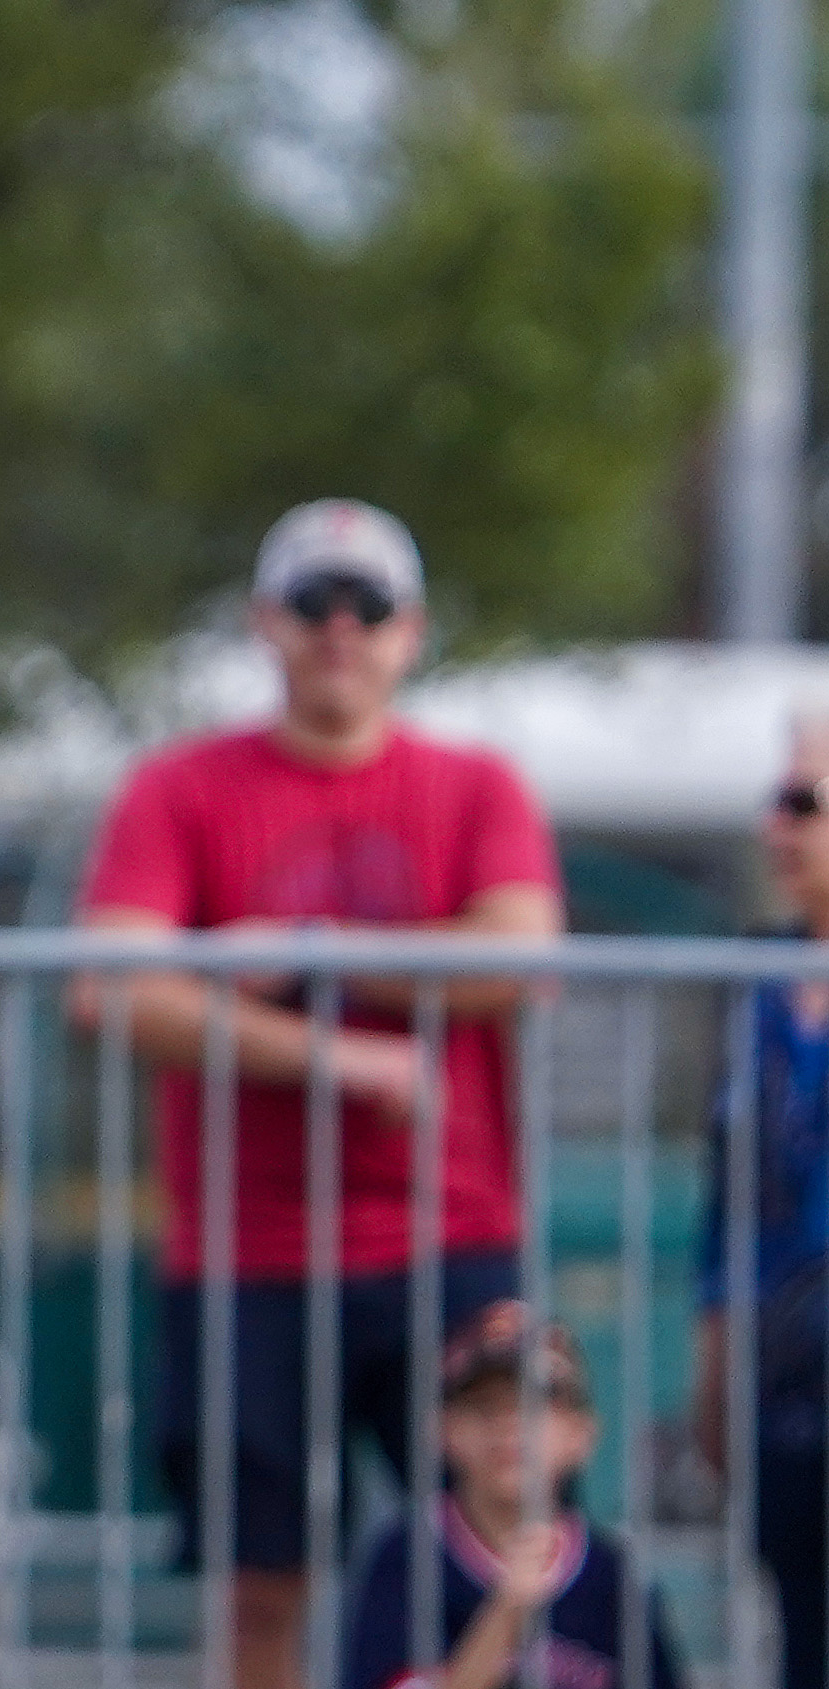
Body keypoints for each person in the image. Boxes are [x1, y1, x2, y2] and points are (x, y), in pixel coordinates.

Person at [69, 501, 565, 1689]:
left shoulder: (475, 785)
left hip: (450, 1244)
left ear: (410, 630)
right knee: (257, 1588)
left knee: (501, 1562)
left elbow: (520, 957)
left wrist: (304, 943)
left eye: (366, 605)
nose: (338, 629)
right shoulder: (178, 788)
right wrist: (338, 1055)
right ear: (264, 623)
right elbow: (108, 987)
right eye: (311, 603)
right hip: (247, 1257)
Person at [691, 705, 829, 1689]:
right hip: (786, 1384)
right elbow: (729, 1203)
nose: (771, 828)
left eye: (799, 802)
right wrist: (712, 1364)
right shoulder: (757, 986)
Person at [343, 1307, 685, 1689]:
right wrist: (507, 1612)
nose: (509, 1425)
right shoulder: (406, 1558)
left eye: (534, 1407)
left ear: (581, 1433)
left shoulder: (613, 1575)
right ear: (442, 1429)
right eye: (485, 1407)